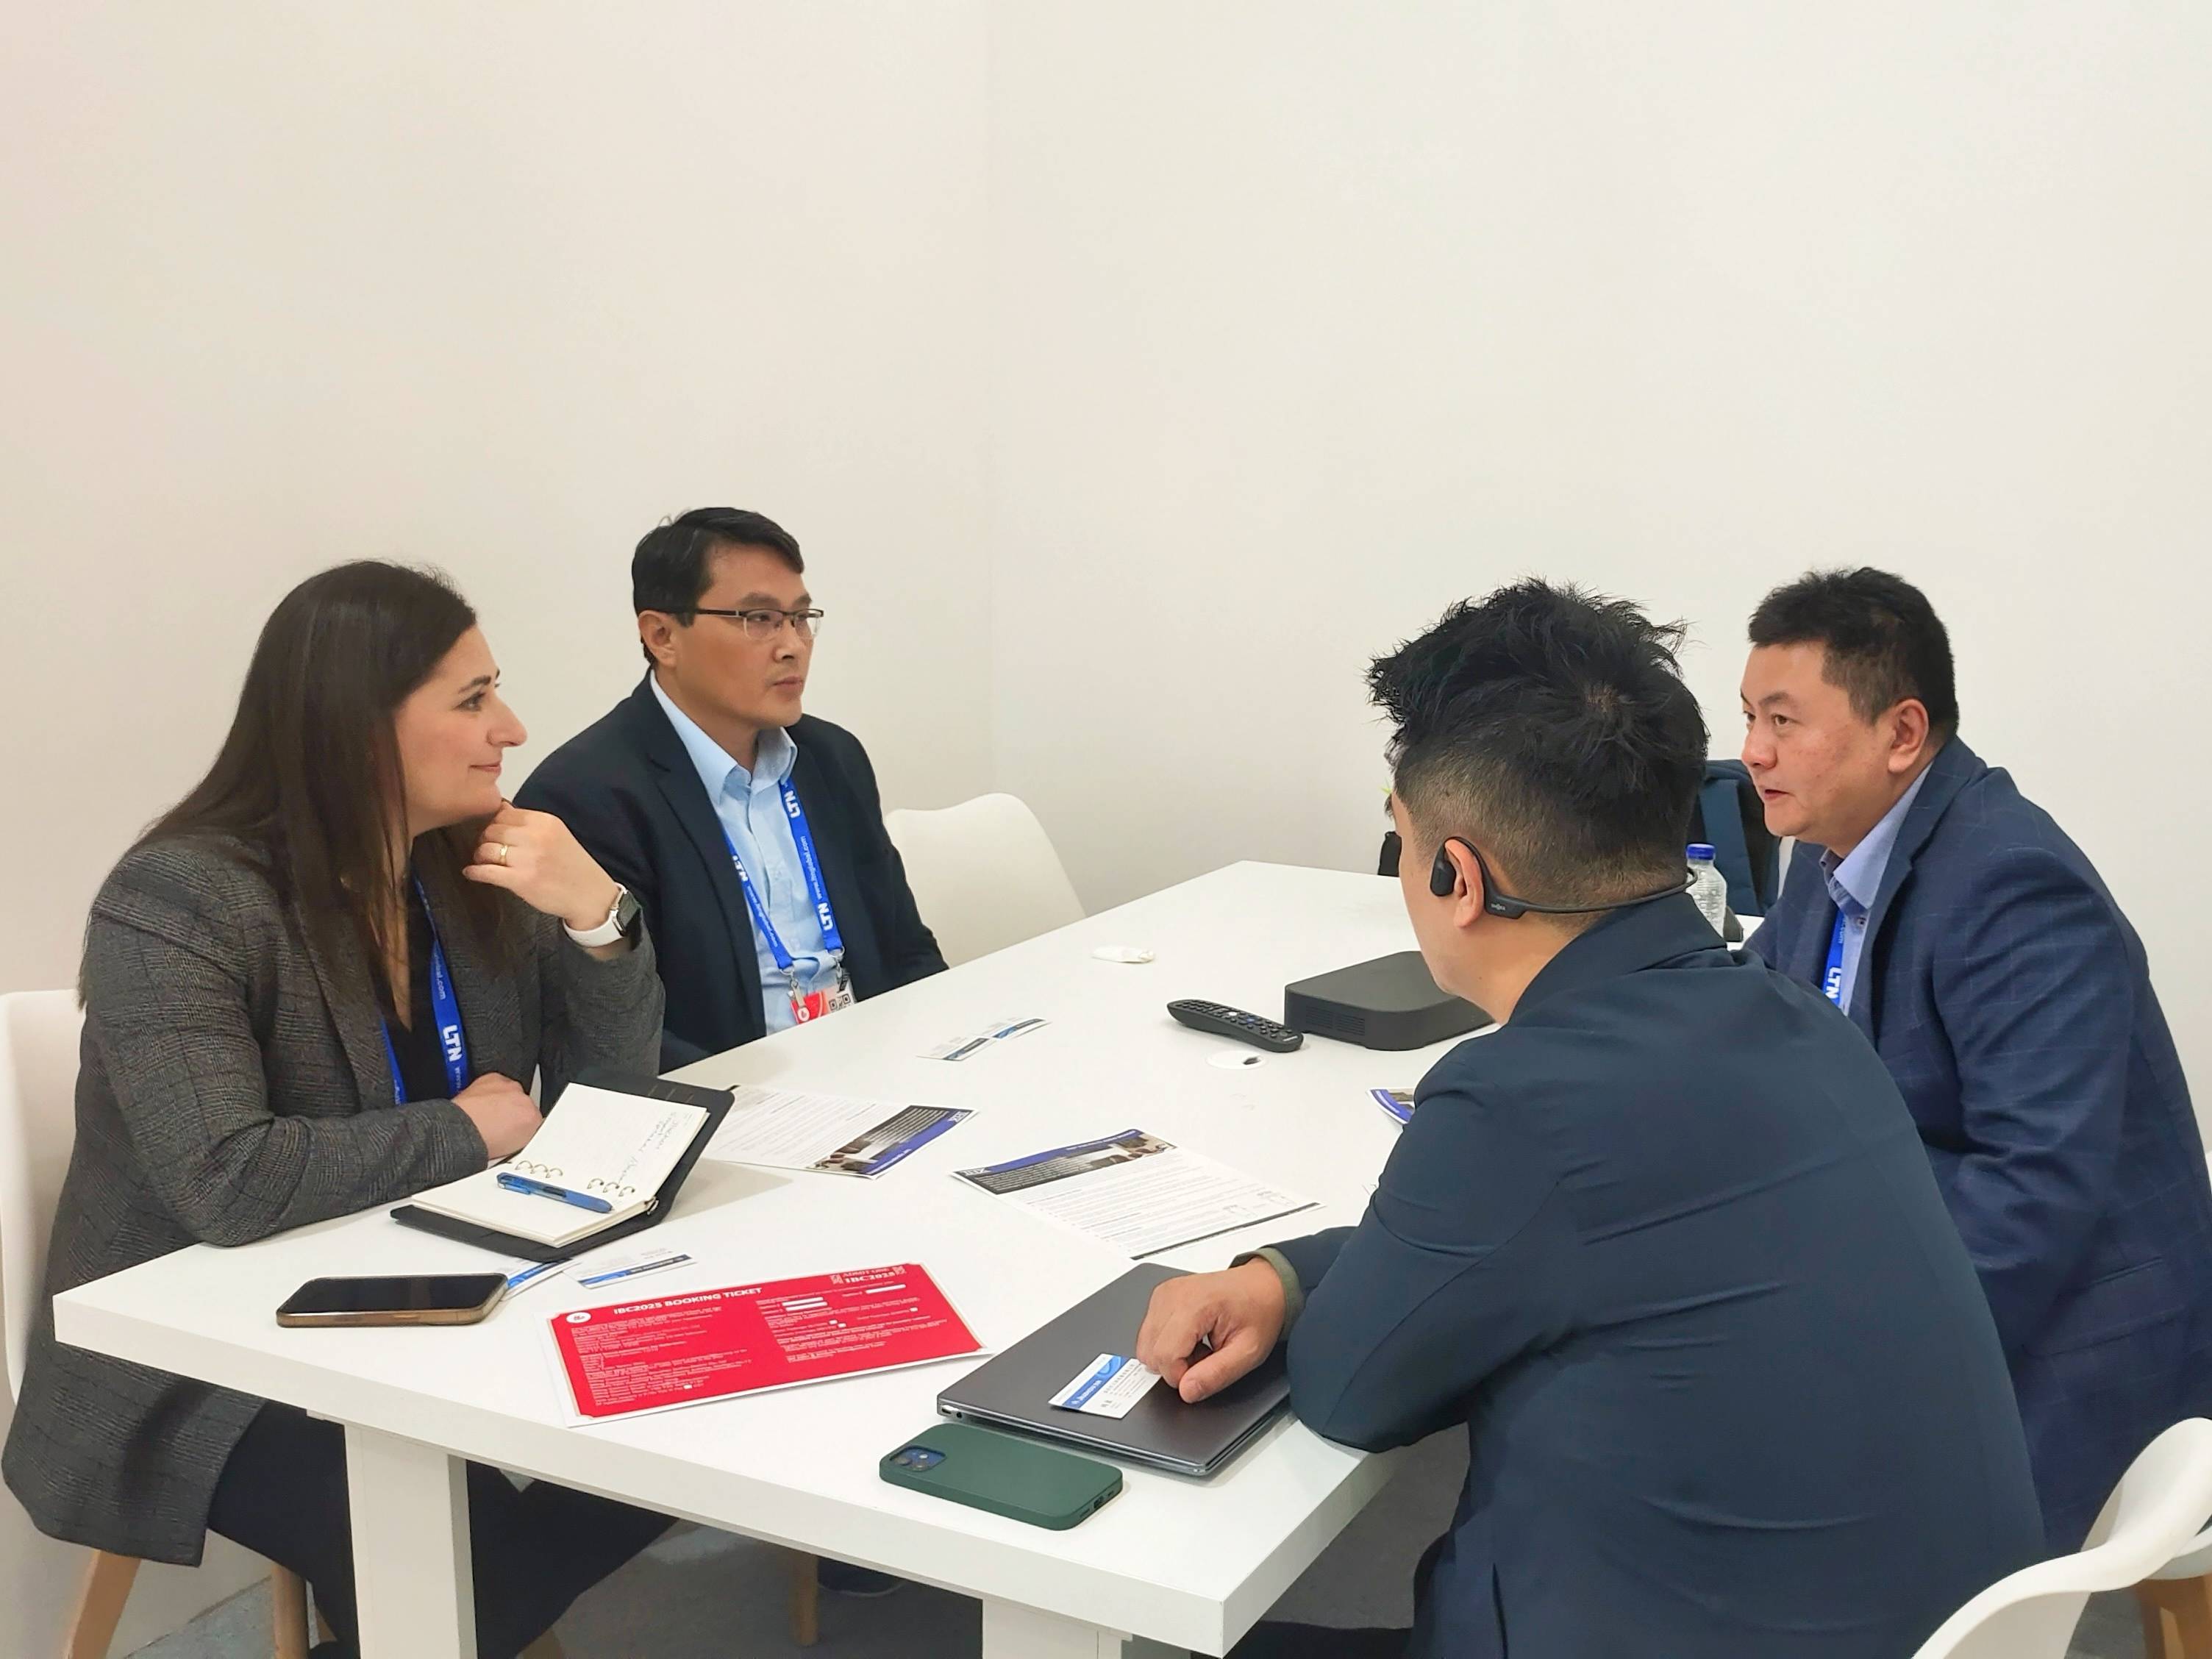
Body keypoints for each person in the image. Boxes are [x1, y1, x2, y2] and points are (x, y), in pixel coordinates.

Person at [1135, 581, 2043, 1659]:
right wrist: (1286, 1276)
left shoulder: (1518, 1102)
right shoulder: (1797, 1018)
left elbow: (1350, 1386)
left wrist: (1298, 1290)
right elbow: (1536, 1244)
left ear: (1456, 875)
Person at [2, 563, 671, 1659]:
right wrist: (467, 1131)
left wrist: (598, 918)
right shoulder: (177, 900)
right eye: (472, 700)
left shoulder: (465, 866)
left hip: (437, 1281)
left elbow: (613, 1104)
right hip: (202, 1355)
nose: (510, 728)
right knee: (466, 1572)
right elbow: (226, 1181)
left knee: (683, 1406)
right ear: (361, 730)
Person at [1741, 566, 2212, 1549]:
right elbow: (1756, 1017)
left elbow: (2032, 1195)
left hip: (2073, 1332)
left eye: (1783, 721)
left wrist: (1857, 1352)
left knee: (1767, 1478)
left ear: (1901, 734)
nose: (1752, 752)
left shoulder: (2011, 884)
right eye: (1750, 718)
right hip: (1916, 1251)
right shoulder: (1826, 849)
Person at [515, 507, 944, 1072]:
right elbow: (615, 1036)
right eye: (759, 619)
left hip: (878, 1068)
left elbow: (906, 949)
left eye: (800, 618)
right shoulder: (586, 796)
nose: (792, 645)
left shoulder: (831, 758)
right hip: (736, 1097)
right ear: (662, 636)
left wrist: (944, 1054)